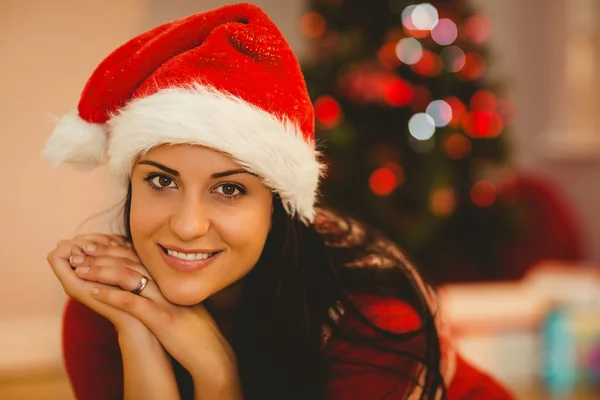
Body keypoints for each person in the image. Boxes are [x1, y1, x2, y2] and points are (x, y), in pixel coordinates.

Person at [43, 3, 514, 399]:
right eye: (161, 182)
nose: (187, 226)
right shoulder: (104, 304)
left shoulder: (371, 322)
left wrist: (216, 373)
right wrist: (142, 335)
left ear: (278, 204)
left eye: (229, 189)